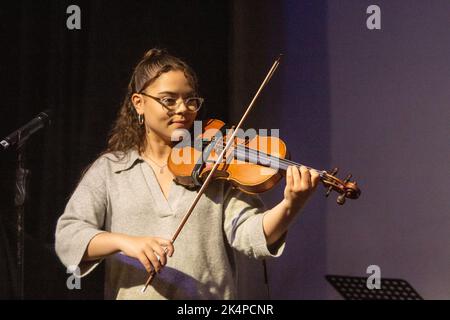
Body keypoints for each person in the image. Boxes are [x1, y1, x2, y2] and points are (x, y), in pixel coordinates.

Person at [55, 48, 320, 300]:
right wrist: (125, 242)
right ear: (139, 103)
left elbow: (250, 234)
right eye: (169, 100)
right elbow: (69, 238)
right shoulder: (111, 169)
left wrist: (290, 205)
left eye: (190, 100)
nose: (183, 109)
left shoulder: (215, 167)